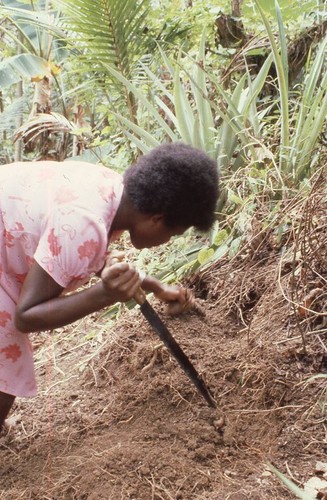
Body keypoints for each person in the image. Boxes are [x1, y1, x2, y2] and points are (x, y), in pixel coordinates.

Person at [0, 142, 219, 432]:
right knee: (7, 349)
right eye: (173, 234)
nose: (167, 241)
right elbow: (26, 316)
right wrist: (104, 295)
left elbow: (86, 254)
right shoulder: (84, 222)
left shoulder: (111, 191)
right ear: (157, 220)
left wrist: (153, 286)